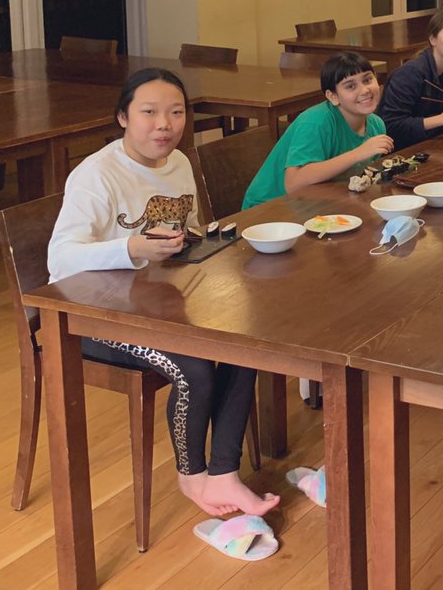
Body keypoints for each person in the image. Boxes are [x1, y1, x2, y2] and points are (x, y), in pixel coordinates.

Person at [48, 68, 280, 518]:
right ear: (122, 118)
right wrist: (132, 247)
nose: (164, 125)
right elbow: (59, 260)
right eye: (149, 112)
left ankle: (224, 473)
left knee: (248, 344)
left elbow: (183, 231)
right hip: (95, 317)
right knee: (194, 368)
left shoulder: (177, 162)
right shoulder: (96, 175)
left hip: (155, 305)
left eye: (176, 113)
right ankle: (193, 478)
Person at [242, 51, 392, 209]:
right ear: (332, 96)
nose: (364, 90)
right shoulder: (316, 122)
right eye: (350, 86)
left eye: (368, 80)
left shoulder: (376, 125)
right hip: (270, 209)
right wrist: (358, 153)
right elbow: (294, 183)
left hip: (318, 203)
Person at [376, 9, 443, 151]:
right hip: (397, 153)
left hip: (426, 146)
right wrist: (442, 118)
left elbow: (429, 121)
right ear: (433, 39)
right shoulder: (409, 74)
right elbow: (391, 127)